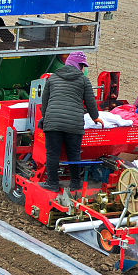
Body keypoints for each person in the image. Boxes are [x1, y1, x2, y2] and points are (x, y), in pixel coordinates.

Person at [36, 51, 102, 193]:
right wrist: (95, 117)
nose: (83, 69)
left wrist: (46, 118)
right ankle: (75, 183)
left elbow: (45, 101)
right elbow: (91, 102)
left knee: (53, 154)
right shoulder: (83, 80)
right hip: (74, 124)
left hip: (53, 122)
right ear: (77, 65)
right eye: (82, 65)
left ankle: (52, 183)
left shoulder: (53, 78)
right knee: (74, 153)